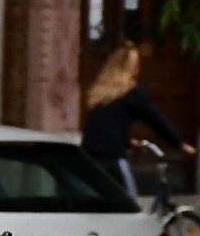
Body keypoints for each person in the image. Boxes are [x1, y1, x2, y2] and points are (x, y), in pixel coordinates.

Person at [79, 44, 193, 197]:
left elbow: (105, 124)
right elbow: (156, 118)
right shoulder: (132, 91)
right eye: (138, 65)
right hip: (112, 160)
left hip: (89, 159)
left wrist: (126, 140)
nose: (140, 69)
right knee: (130, 204)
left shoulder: (101, 93)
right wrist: (179, 143)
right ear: (131, 68)